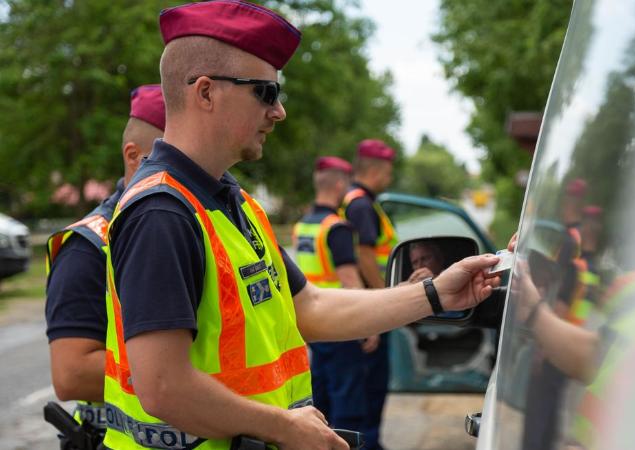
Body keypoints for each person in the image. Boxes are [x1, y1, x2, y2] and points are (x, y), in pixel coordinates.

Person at [101, 3, 501, 450]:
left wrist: (434, 295)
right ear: (206, 92)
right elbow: (163, 386)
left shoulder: (232, 202)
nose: (280, 112)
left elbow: (308, 307)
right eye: (267, 93)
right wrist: (286, 427)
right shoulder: (163, 213)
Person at [44, 85, 165, 444]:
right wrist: (181, 370)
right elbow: (71, 374)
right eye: (172, 157)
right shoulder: (88, 247)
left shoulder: (201, 222)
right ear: (133, 156)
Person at [292, 156, 379, 439]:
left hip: (311, 325)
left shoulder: (303, 226)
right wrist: (369, 323)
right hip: (340, 324)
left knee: (322, 396)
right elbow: (350, 280)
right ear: (340, 183)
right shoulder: (336, 228)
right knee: (349, 398)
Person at [341, 138, 398, 449]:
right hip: (369, 308)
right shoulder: (363, 205)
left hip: (352, 306)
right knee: (369, 390)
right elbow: (365, 256)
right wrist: (385, 301)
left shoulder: (350, 200)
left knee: (347, 392)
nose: (389, 177)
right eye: (388, 171)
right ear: (376, 170)